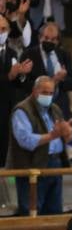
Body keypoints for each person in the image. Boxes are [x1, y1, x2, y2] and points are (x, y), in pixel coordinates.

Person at [9, 75, 72, 216]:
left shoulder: (55, 109)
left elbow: (63, 137)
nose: (48, 96)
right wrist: (52, 136)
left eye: (51, 93)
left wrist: (67, 136)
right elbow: (25, 141)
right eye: (45, 92)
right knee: (31, 211)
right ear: (34, 91)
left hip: (55, 164)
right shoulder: (22, 110)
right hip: (32, 166)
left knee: (54, 212)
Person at [17, 22, 72, 119]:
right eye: (46, 38)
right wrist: (54, 80)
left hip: (59, 108)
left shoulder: (64, 55)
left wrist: (62, 79)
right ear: (40, 37)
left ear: (58, 41)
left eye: (53, 39)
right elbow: (23, 84)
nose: (49, 41)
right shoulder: (28, 55)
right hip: (35, 109)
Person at [0, 12, 29, 166]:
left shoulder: (12, 53)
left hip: (7, 105)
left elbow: (17, 82)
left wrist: (21, 75)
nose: (1, 33)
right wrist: (9, 76)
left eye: (4, 29)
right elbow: (9, 77)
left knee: (4, 140)